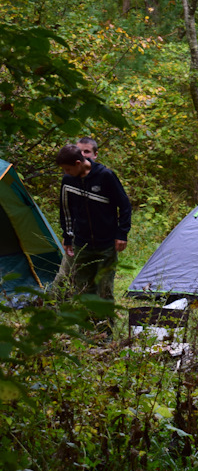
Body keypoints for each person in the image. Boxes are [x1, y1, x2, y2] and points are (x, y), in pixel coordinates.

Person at [55, 144, 133, 336]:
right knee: (82, 290)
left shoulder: (105, 176)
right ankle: (87, 332)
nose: (66, 173)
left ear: (79, 163)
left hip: (106, 244)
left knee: (104, 291)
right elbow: (65, 211)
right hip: (82, 244)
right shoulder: (68, 181)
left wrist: (121, 234)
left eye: (68, 169)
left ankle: (105, 333)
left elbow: (124, 205)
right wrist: (68, 237)